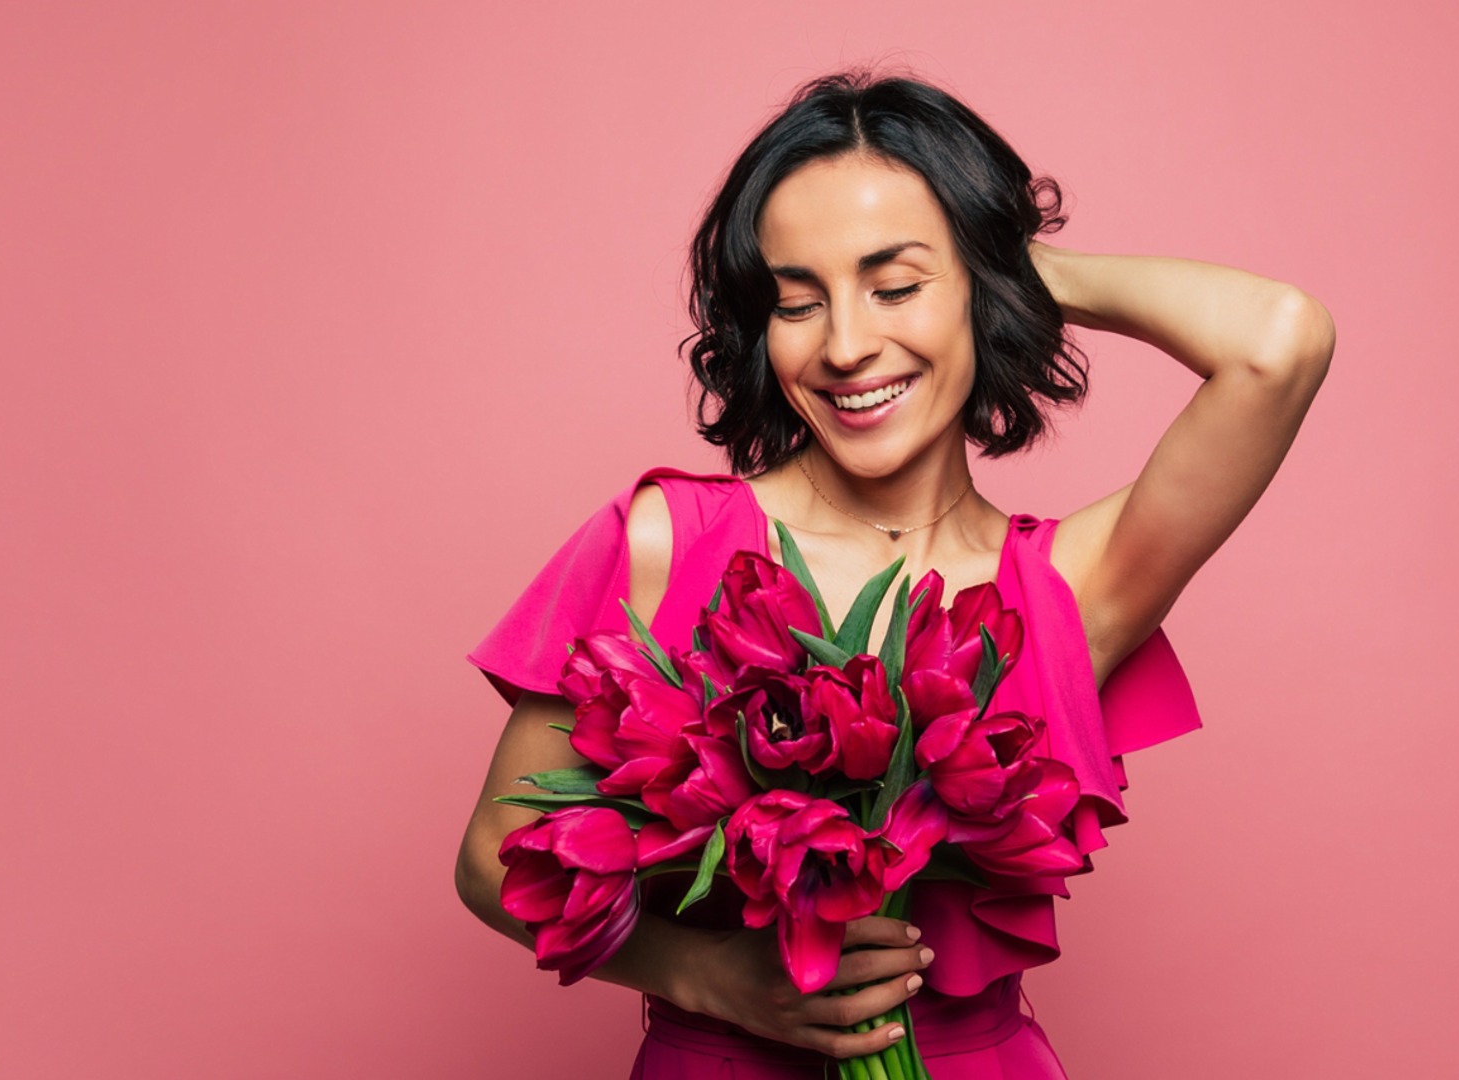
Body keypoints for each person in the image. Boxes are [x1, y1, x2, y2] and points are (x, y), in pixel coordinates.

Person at [454, 69, 1334, 1078]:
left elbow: (1280, 342)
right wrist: (709, 976)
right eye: (797, 302)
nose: (846, 345)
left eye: (897, 286)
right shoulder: (665, 541)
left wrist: (1010, 264)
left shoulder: (1065, 587)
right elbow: (492, 855)